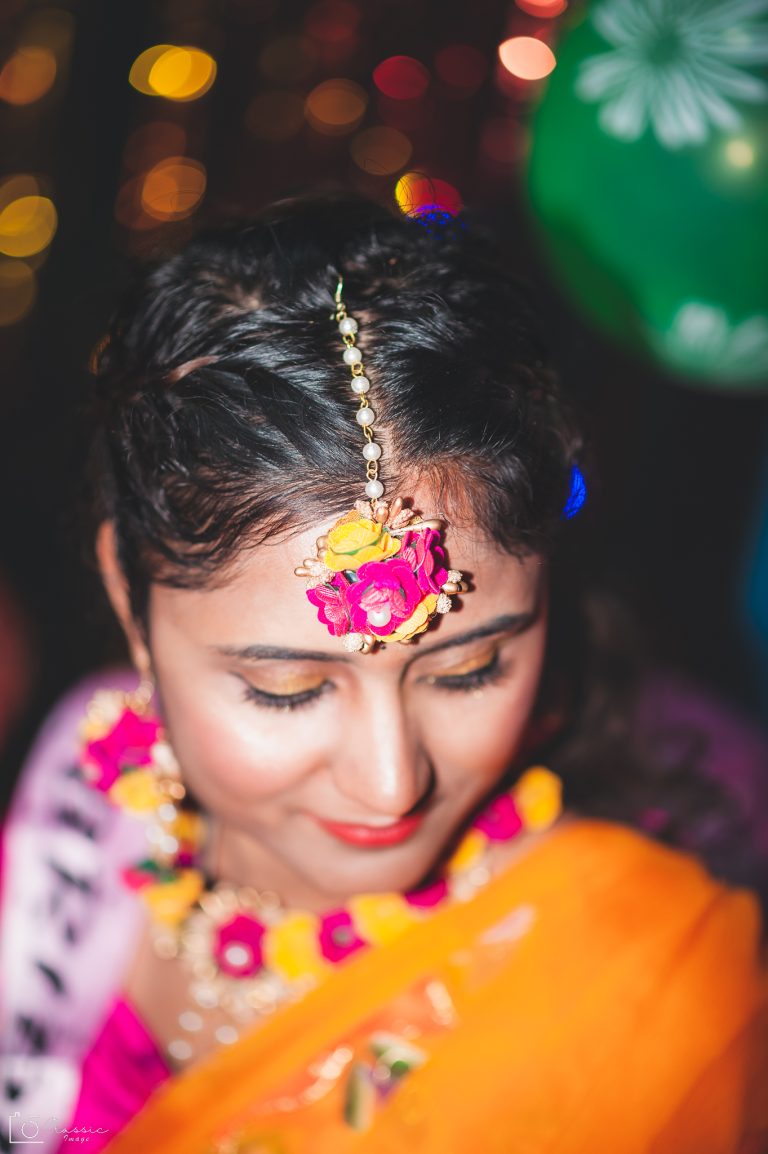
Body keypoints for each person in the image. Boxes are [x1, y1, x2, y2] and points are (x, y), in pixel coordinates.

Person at [1, 191, 767, 1154]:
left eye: (471, 668)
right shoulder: (82, 781)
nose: (391, 781)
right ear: (128, 596)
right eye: (287, 687)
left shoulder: (656, 982)